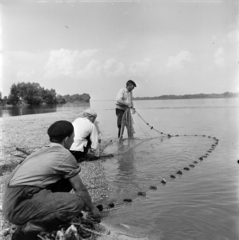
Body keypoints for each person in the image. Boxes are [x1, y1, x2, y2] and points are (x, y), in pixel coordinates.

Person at [2, 120, 100, 240]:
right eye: (73, 137)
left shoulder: (42, 150)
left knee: (65, 181)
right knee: (76, 203)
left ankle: (43, 212)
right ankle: (28, 230)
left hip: (10, 203)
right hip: (19, 207)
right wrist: (93, 209)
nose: (74, 140)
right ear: (66, 139)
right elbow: (80, 188)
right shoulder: (65, 155)